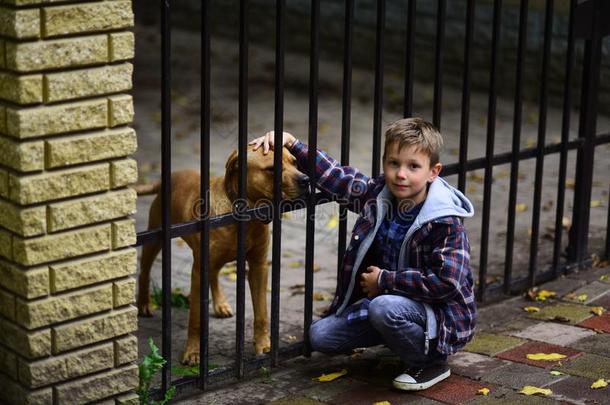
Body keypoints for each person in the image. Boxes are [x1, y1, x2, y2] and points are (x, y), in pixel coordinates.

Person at [249, 118, 476, 391]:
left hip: (437, 315)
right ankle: (398, 336)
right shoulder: (380, 196)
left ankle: (430, 362)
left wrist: (385, 282)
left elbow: (446, 284)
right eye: (394, 163)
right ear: (384, 164)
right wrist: (294, 145)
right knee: (320, 337)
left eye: (413, 166)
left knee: (383, 307)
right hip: (393, 305)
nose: (401, 174)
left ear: (433, 172)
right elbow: (338, 179)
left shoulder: (444, 222)